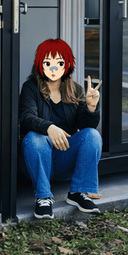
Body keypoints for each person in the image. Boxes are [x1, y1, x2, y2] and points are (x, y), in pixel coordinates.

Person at [19, 38, 102, 219]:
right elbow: (26, 117)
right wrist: (49, 127)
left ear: (68, 65)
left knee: (93, 135)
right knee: (34, 137)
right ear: (40, 64)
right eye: (48, 63)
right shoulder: (30, 88)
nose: (54, 68)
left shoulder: (76, 90)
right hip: (38, 158)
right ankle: (43, 197)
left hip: (65, 158)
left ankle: (78, 193)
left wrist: (91, 107)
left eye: (60, 63)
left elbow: (86, 129)